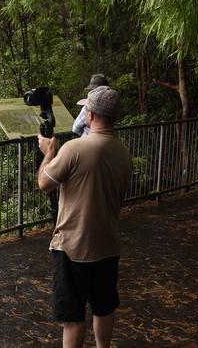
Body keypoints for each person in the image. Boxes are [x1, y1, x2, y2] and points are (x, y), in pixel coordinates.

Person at [37, 86, 132, 348]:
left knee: (73, 315)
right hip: (108, 244)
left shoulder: (75, 149)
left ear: (89, 115)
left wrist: (47, 153)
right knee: (104, 307)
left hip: (72, 246)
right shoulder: (123, 153)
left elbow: (45, 183)